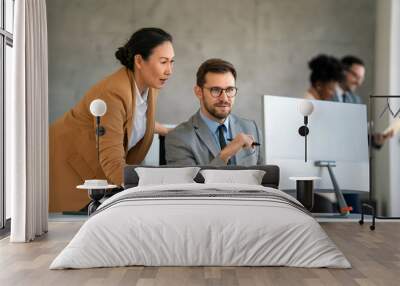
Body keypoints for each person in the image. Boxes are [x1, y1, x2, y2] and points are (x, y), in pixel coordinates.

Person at [50, 28, 175, 212]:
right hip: (67, 166)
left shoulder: (149, 85)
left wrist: (164, 130)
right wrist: (154, 187)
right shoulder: (113, 93)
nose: (169, 70)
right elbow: (113, 162)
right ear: (139, 61)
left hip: (94, 172)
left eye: (172, 62)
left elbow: (130, 120)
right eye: (163, 62)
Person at [165, 58, 263, 166]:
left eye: (230, 89)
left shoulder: (252, 128)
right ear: (199, 92)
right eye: (216, 90)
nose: (224, 98)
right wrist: (226, 154)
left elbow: (263, 178)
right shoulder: (178, 138)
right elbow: (190, 182)